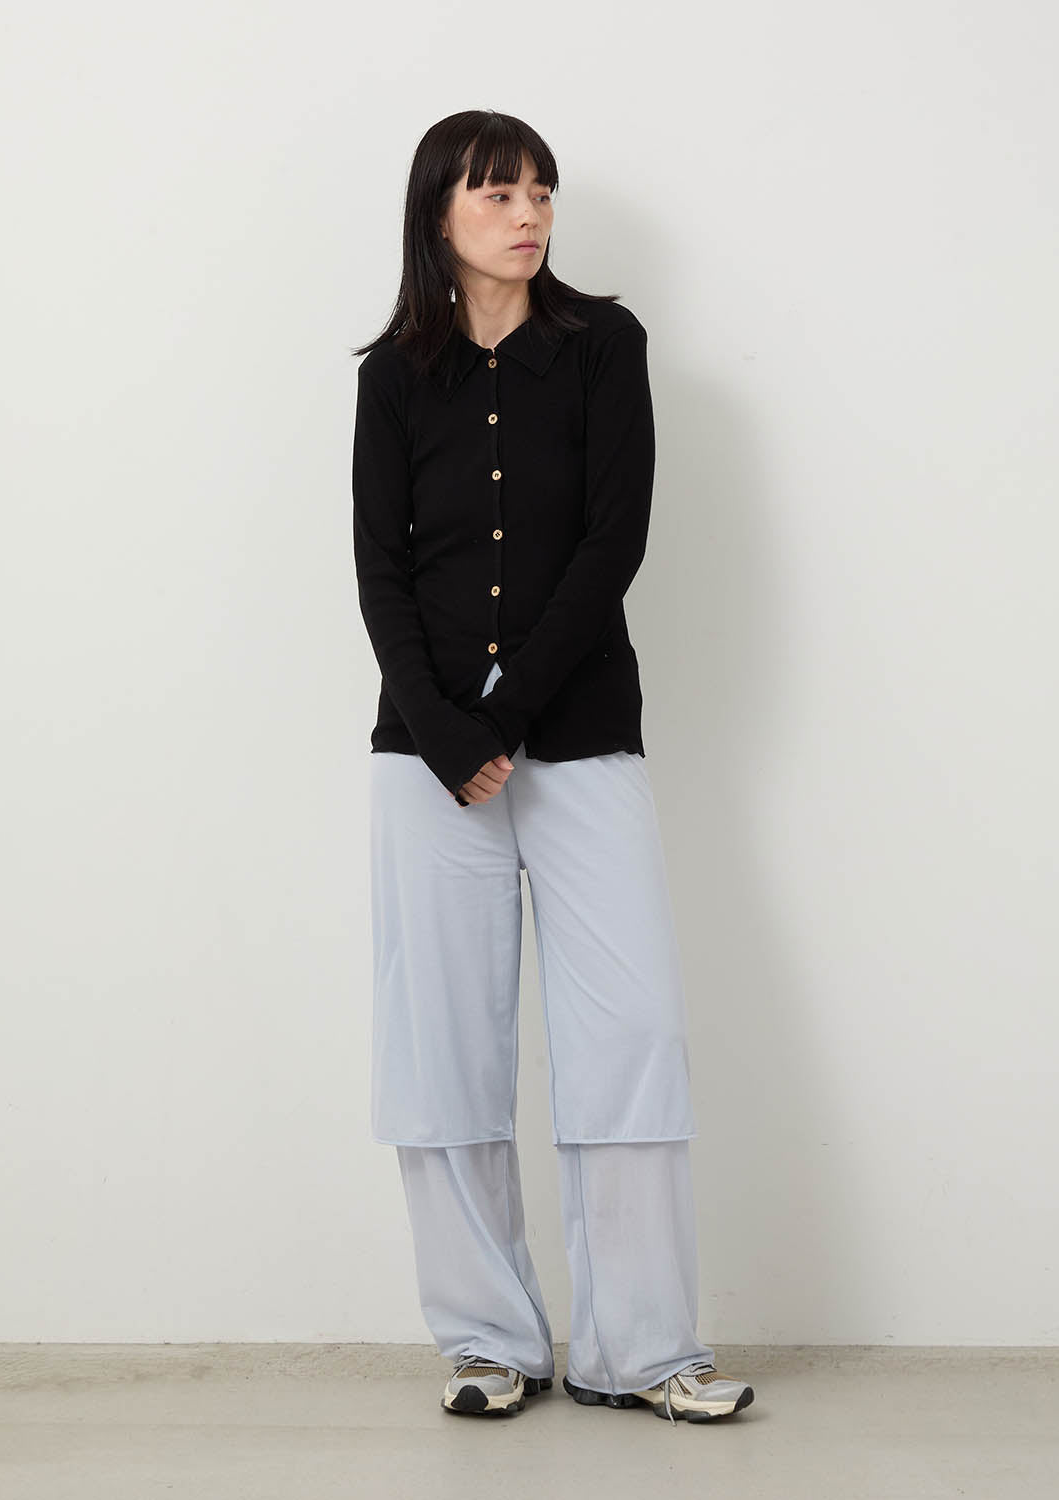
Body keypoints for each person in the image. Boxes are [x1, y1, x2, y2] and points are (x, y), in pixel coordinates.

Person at [350, 109, 756, 1426]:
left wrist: (507, 714)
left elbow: (611, 541)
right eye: (498, 193)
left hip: (577, 732)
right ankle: (488, 1342)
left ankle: (640, 1348)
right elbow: (380, 568)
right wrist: (446, 730)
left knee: (629, 1032)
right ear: (439, 213)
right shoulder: (391, 376)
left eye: (541, 192)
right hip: (426, 755)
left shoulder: (601, 347)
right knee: (443, 1043)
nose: (528, 214)